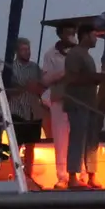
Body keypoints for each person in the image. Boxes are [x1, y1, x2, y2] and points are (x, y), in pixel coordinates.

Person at [62, 22, 103, 188]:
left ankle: (91, 175)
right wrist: (94, 78)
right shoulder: (75, 55)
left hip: (89, 103)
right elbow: (71, 78)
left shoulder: (87, 55)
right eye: (94, 35)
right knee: (77, 139)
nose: (96, 39)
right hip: (77, 102)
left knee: (91, 141)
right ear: (85, 36)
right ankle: (72, 176)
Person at [4, 38, 46, 187]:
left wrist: (37, 87)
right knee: (16, 146)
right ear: (17, 51)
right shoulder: (10, 68)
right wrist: (25, 87)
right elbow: (9, 89)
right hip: (17, 110)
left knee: (31, 145)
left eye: (28, 49)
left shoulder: (35, 68)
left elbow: (42, 87)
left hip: (33, 110)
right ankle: (17, 176)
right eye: (23, 50)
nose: (27, 52)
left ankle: (28, 175)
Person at [40, 25, 75, 188]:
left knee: (77, 137)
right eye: (68, 32)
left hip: (76, 99)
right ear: (61, 35)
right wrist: (61, 74)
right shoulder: (50, 54)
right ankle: (62, 176)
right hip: (59, 99)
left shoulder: (78, 52)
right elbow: (45, 80)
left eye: (73, 33)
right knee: (61, 140)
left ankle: (77, 173)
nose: (72, 36)